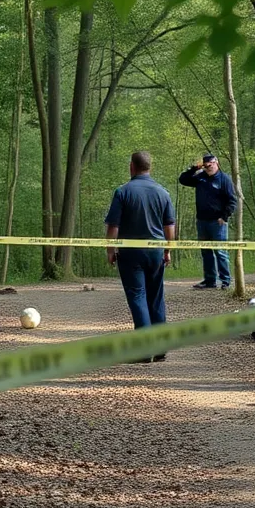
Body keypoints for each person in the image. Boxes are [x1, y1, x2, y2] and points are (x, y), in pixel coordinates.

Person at [106, 151, 177, 362]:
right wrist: (168, 249)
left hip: (130, 253)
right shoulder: (163, 193)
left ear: (132, 167)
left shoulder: (122, 192)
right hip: (156, 252)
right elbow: (169, 227)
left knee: (138, 296)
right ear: (149, 168)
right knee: (156, 297)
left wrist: (110, 250)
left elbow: (113, 226)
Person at [178, 153, 238, 290]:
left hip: (218, 223)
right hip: (202, 221)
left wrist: (224, 217)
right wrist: (194, 168)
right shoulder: (200, 178)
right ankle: (210, 280)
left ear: (216, 163)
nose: (208, 168)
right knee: (206, 252)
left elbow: (232, 201)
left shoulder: (224, 179)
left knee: (220, 252)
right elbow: (183, 180)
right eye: (206, 166)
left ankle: (225, 281)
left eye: (210, 165)